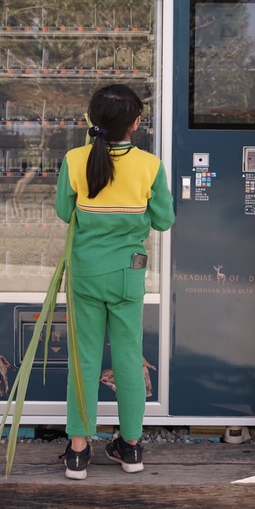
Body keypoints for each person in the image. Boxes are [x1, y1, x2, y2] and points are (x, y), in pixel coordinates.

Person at [55, 84, 175, 480]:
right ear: (136, 124)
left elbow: (62, 211)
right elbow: (164, 220)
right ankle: (131, 447)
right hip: (128, 275)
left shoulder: (74, 160)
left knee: (84, 360)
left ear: (91, 121)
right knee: (128, 358)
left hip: (85, 273)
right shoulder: (150, 166)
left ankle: (77, 451)